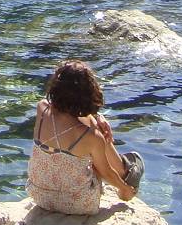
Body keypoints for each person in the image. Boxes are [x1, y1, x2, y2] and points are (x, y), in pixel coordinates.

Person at [27, 60, 141, 214]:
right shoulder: (91, 136)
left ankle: (125, 170)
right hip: (78, 204)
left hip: (40, 197)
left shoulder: (42, 108)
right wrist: (125, 190)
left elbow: (64, 113)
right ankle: (126, 173)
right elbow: (106, 172)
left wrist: (96, 117)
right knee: (94, 159)